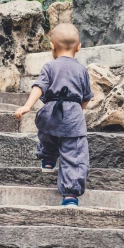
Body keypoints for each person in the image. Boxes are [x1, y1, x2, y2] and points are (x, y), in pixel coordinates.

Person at [15, 22, 93, 207]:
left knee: (47, 133)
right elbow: (87, 96)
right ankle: (70, 196)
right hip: (73, 115)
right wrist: (78, 109)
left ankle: (48, 157)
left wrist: (27, 106)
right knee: (74, 153)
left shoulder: (49, 67)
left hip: (51, 112)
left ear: (52, 46)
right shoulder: (82, 70)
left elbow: (39, 87)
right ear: (79, 47)